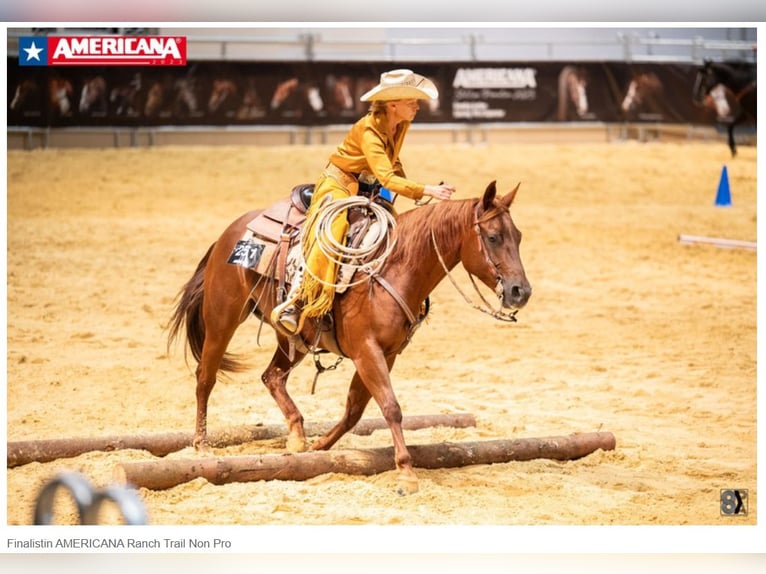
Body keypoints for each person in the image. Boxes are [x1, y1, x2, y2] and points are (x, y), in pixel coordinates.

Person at [272, 68, 456, 333]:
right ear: (393, 104)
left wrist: (412, 182)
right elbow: (387, 176)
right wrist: (425, 190)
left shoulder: (400, 123)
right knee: (334, 229)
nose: (417, 105)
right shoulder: (368, 131)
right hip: (340, 183)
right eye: (411, 101)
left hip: (369, 187)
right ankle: (300, 299)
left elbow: (391, 161)